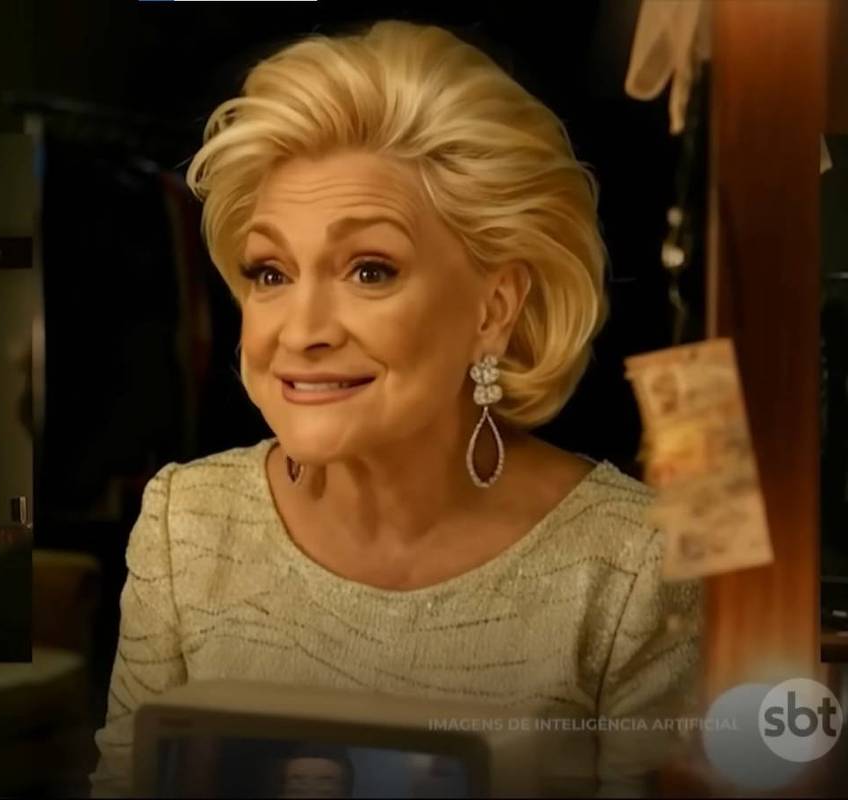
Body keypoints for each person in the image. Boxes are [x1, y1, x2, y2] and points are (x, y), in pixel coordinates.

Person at [90, 19, 702, 797]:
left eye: (370, 270)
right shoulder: (186, 524)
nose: (301, 332)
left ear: (493, 308)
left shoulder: (636, 566)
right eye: (271, 272)